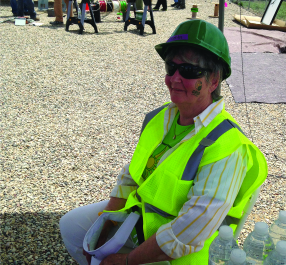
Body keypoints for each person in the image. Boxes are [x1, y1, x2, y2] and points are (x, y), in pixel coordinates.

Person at [59, 20, 268, 265]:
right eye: (171, 67)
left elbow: (189, 231)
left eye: (189, 70)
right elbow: (131, 176)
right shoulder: (160, 118)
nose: (175, 78)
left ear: (214, 80)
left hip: (179, 254)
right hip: (142, 220)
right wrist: (104, 226)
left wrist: (126, 261)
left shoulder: (229, 146)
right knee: (72, 227)